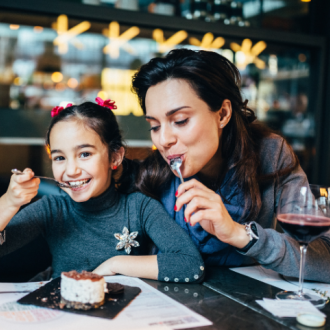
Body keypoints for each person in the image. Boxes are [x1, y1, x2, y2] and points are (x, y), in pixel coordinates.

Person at [131, 48, 330, 282]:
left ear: (223, 114)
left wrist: (239, 233)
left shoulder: (270, 154)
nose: (164, 140)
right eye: (154, 126)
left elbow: (324, 258)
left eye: (180, 121)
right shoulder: (150, 175)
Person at [0, 99, 205, 283]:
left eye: (85, 154)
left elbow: (191, 266)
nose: (71, 171)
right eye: (60, 158)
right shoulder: (52, 209)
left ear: (115, 157)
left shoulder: (139, 208)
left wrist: (115, 264)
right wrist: (9, 202)